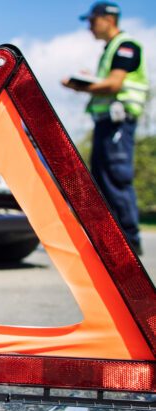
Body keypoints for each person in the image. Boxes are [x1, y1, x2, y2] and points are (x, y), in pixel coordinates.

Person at [62, 1, 149, 255]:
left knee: (116, 178)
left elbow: (114, 84)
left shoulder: (125, 46)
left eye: (92, 21)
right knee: (101, 179)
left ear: (108, 19)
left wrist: (82, 86)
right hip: (106, 124)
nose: (89, 27)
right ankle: (111, 242)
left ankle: (129, 243)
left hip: (118, 123)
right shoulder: (110, 49)